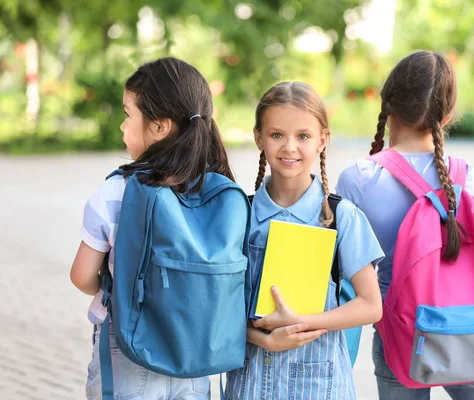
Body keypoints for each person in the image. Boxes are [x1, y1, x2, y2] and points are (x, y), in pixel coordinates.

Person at [336, 50, 474, 400]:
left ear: (387, 103)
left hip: (400, 334)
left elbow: (340, 268)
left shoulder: (358, 179)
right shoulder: (465, 176)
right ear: (447, 115)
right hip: (466, 325)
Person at [70, 57, 241, 400]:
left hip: (129, 350)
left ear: (160, 127)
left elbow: (81, 275)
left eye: (127, 114)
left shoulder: (117, 191)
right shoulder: (218, 190)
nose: (122, 126)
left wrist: (114, 287)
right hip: (195, 354)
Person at [225, 81, 384, 399]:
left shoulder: (343, 217)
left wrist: (303, 321)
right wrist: (264, 340)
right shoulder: (237, 215)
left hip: (320, 386)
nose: (289, 148)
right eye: (276, 135)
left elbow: (370, 306)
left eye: (303, 136)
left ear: (323, 139)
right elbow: (219, 309)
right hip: (250, 383)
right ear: (259, 137)